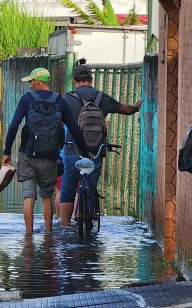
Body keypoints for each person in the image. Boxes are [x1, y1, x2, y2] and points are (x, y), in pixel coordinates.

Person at [3, 67, 89, 234]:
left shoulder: (26, 100)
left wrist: (7, 152)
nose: (30, 86)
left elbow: (14, 126)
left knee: (29, 197)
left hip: (27, 155)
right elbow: (75, 130)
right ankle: (48, 235)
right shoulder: (60, 102)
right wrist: (85, 153)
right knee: (46, 197)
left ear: (38, 81)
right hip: (50, 157)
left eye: (31, 82)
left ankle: (28, 236)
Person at [60, 64, 142, 226]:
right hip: (95, 152)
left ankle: (65, 226)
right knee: (90, 187)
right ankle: (86, 220)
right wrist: (137, 106)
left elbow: (58, 122)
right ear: (91, 79)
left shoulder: (67, 99)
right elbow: (126, 110)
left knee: (68, 190)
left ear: (74, 81)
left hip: (71, 150)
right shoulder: (101, 97)